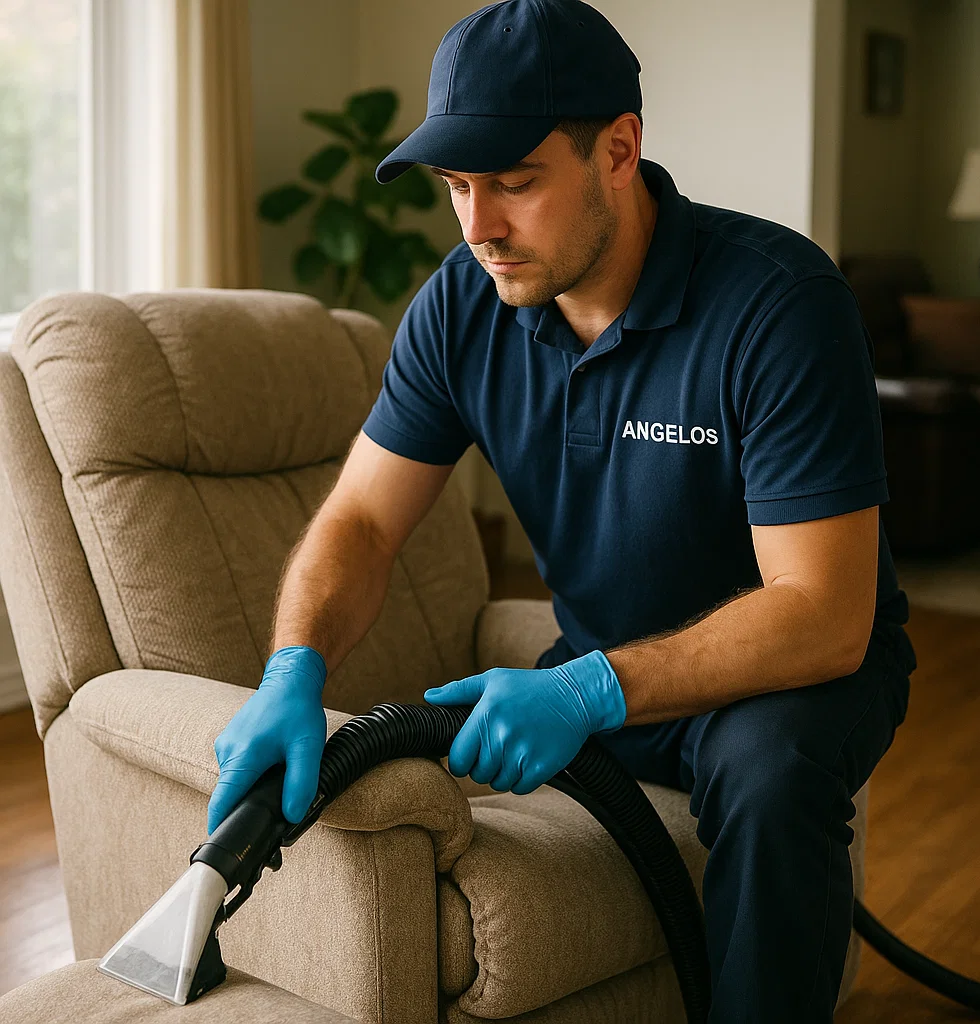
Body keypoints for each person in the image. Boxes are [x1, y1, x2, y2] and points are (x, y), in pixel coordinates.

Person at [208, 1, 917, 1019]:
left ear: (619, 150)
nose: (477, 225)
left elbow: (822, 611)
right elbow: (361, 521)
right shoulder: (460, 306)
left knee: (768, 770)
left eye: (515, 182)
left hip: (789, 674)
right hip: (601, 665)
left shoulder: (777, 304)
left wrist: (587, 694)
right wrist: (294, 664)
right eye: (456, 185)